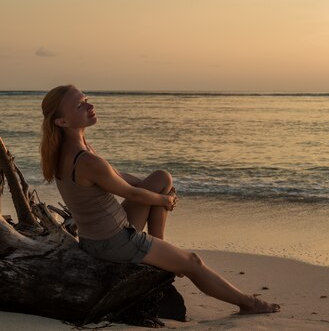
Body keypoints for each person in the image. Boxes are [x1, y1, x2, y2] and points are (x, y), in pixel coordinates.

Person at [39, 84, 280, 315]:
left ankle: (160, 251)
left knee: (162, 178)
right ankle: (248, 303)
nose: (90, 106)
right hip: (115, 242)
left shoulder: (70, 150)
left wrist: (157, 190)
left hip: (99, 237)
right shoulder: (87, 160)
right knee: (193, 262)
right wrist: (163, 201)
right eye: (80, 106)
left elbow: (117, 176)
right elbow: (130, 193)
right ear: (62, 121)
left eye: (87, 100)